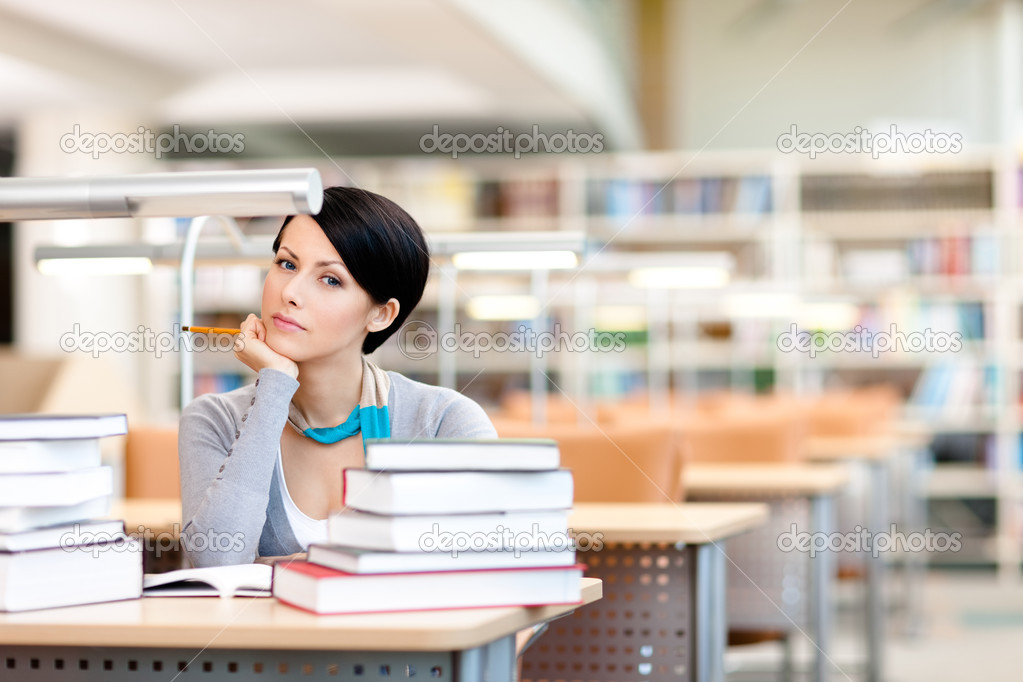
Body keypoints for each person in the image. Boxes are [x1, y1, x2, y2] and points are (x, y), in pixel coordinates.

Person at [178, 186, 497, 568]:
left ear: (380, 315)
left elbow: (481, 571)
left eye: (330, 279)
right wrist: (275, 384)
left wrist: (272, 565)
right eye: (287, 264)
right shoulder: (213, 420)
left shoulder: (444, 422)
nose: (291, 292)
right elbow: (216, 561)